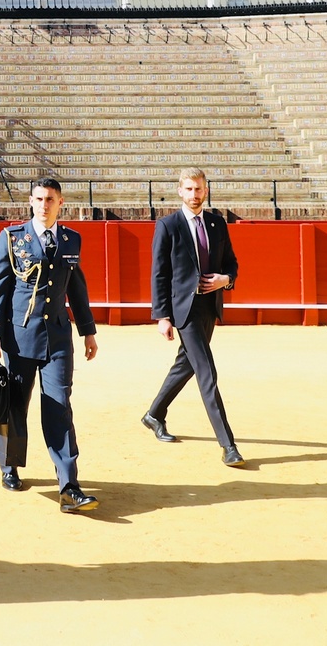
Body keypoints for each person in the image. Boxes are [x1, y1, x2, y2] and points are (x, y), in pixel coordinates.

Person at [0, 176, 101, 514]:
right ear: (30, 201)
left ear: (60, 203)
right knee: (15, 405)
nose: (44, 205)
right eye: (38, 199)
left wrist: (88, 331)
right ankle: (8, 465)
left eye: (50, 199)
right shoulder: (12, 237)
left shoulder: (71, 239)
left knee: (59, 406)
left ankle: (69, 485)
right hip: (19, 338)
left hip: (58, 338)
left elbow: (76, 287)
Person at [143, 167, 245, 467]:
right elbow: (159, 274)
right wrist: (162, 316)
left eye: (199, 189)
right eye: (189, 189)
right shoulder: (168, 225)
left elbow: (231, 263)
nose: (194, 194)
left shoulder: (216, 223)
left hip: (209, 307)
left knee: (186, 364)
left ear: (206, 191)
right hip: (183, 310)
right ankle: (228, 445)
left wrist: (225, 280)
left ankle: (154, 414)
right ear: (180, 191)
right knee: (206, 372)